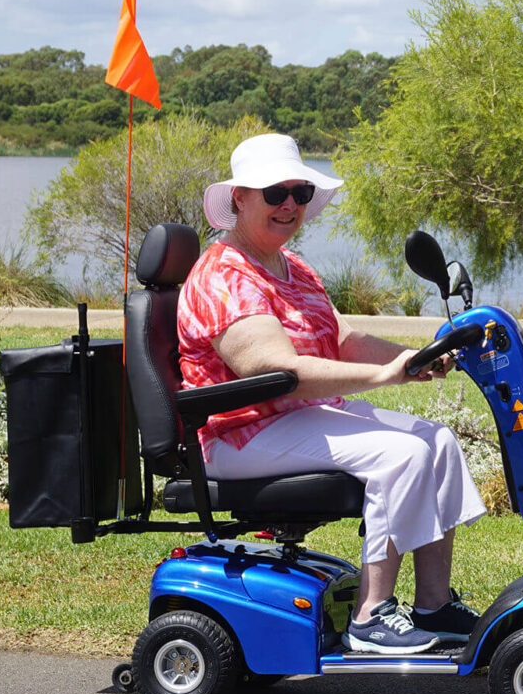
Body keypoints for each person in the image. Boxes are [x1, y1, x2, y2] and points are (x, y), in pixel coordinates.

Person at [177, 133, 487, 655]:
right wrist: (385, 376)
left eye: (299, 191)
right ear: (240, 199)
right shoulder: (223, 276)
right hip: (239, 432)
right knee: (402, 455)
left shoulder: (292, 267)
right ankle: (371, 617)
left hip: (296, 417)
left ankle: (434, 604)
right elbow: (276, 370)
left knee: (437, 440)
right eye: (275, 193)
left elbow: (340, 338)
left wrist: (417, 355)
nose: (290, 204)